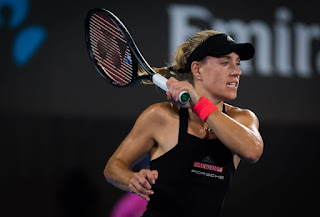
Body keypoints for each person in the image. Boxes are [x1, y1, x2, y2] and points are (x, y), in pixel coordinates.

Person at [104, 29, 264, 217]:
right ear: (197, 69)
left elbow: (252, 151)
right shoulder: (160, 116)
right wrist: (131, 178)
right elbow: (113, 167)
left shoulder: (242, 119)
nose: (237, 71)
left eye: (237, 63)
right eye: (225, 62)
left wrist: (198, 104)